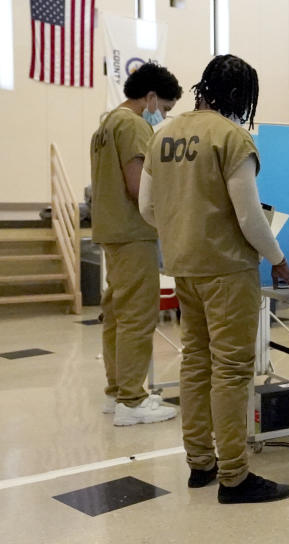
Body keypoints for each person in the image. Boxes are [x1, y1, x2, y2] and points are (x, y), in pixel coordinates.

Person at [139, 54, 289, 504]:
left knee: (195, 362)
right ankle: (234, 476)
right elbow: (250, 217)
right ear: (238, 96)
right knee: (231, 371)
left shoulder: (163, 134)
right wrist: (279, 260)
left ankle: (200, 464)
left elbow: (147, 209)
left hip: (184, 268)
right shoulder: (233, 138)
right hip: (229, 272)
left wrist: (185, 228)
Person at [90, 63, 181, 427]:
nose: (163, 115)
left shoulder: (106, 123)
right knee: (137, 316)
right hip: (133, 232)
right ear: (152, 97)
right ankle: (132, 399)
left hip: (112, 230)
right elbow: (137, 185)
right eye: (166, 109)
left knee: (116, 313)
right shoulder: (133, 124)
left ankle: (117, 391)